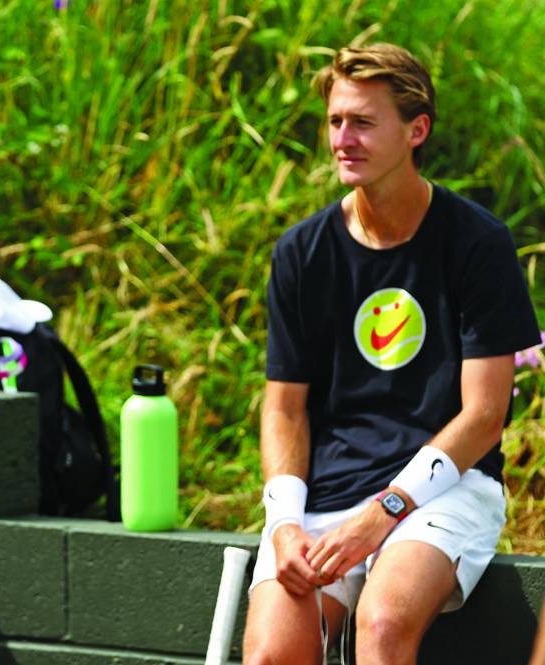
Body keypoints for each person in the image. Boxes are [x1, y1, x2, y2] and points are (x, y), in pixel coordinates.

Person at [242, 44, 540, 665]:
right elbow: (284, 411)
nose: (342, 139)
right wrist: (285, 523)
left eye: (363, 122)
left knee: (380, 625)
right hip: (329, 492)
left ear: (416, 130)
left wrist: (385, 512)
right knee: (275, 653)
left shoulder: (478, 241)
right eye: (334, 121)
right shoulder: (301, 251)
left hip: (445, 488)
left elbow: (485, 415)